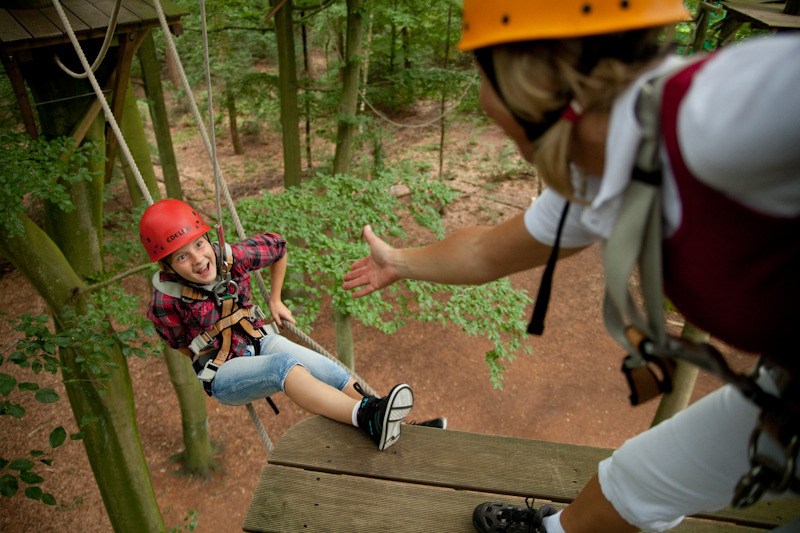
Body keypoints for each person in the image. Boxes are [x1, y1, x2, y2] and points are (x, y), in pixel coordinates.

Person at [343, 0, 800, 530]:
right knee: (634, 482)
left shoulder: (727, 106)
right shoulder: (595, 169)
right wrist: (397, 261)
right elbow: (485, 250)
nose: (481, 95)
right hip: (783, 389)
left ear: (526, 75)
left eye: (481, 70)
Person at [139, 198, 418, 451]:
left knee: (326, 368)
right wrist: (217, 356)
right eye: (182, 256)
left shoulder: (231, 258)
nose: (199, 259)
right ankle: (368, 418)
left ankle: (388, 420)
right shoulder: (166, 301)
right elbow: (178, 344)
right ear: (168, 267)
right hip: (223, 372)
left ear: (208, 238)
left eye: (199, 244)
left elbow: (278, 246)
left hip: (258, 339)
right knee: (281, 365)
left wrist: (275, 299)